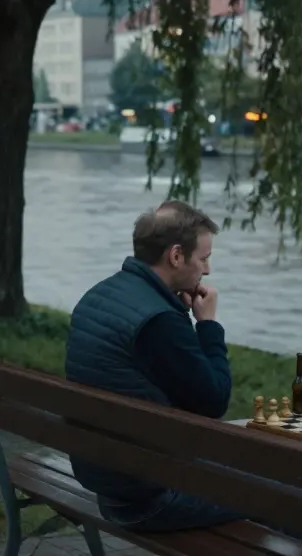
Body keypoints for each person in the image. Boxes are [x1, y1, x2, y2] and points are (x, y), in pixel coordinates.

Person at [64, 201, 239, 532]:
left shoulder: (100, 295)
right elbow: (213, 402)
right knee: (293, 493)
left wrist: (179, 311)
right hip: (150, 495)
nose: (207, 270)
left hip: (105, 476)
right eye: (204, 258)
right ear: (176, 256)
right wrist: (208, 325)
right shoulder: (158, 321)